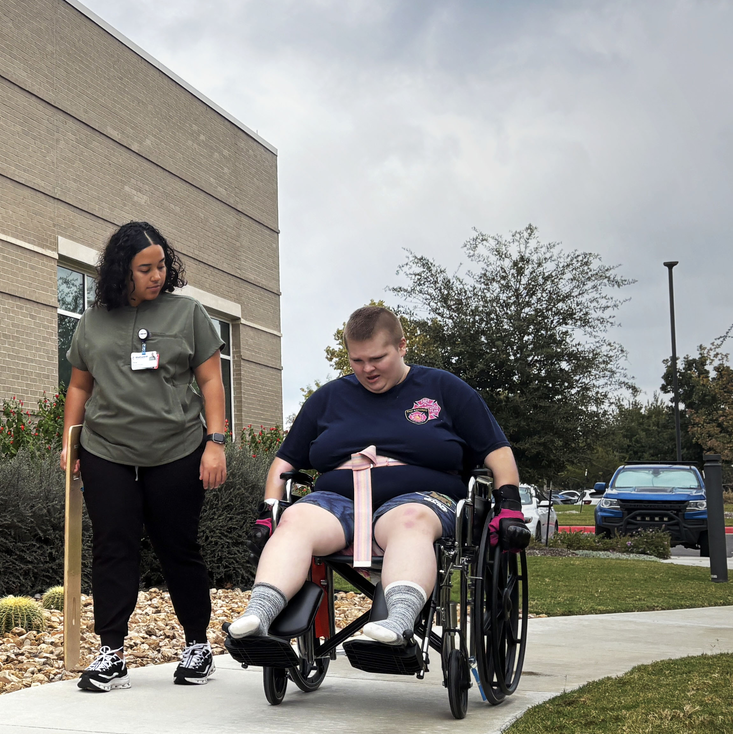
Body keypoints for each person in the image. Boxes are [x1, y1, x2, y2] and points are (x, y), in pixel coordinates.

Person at [229, 304, 530, 645]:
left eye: (377, 358)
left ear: (402, 346)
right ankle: (259, 616)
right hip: (339, 500)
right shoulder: (328, 398)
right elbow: (285, 463)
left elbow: (497, 451)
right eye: (357, 361)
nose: (367, 369)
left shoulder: (445, 389)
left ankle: (397, 624)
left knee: (409, 521)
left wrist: (509, 506)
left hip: (422, 499)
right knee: (295, 519)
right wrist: (268, 511)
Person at [61, 221, 228, 692]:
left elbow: (212, 381)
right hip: (106, 450)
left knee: (178, 548)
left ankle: (198, 645)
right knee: (114, 547)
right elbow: (78, 385)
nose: (157, 275)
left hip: (176, 449)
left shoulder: (187, 313)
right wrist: (68, 443)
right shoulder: (92, 321)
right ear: (121, 272)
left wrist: (215, 442)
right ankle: (111, 652)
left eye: (161, 266)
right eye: (145, 268)